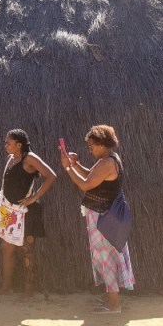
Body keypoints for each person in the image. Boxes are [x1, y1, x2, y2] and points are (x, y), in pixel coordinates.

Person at [60, 124, 135, 313]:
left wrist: (68, 168)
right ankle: (112, 300)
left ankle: (114, 305)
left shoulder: (107, 163)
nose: (90, 149)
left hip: (104, 218)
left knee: (106, 257)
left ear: (102, 144)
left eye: (92, 146)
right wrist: (75, 165)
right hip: (106, 216)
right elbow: (91, 176)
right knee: (107, 256)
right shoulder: (108, 160)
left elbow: (86, 185)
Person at [0, 129, 56, 300]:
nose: (5, 145)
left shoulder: (29, 158)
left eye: (8, 142)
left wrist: (34, 197)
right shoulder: (11, 160)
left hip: (27, 212)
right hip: (9, 211)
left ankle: (29, 291)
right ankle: (6, 286)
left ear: (18, 144)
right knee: (6, 248)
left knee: (27, 250)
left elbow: (51, 176)